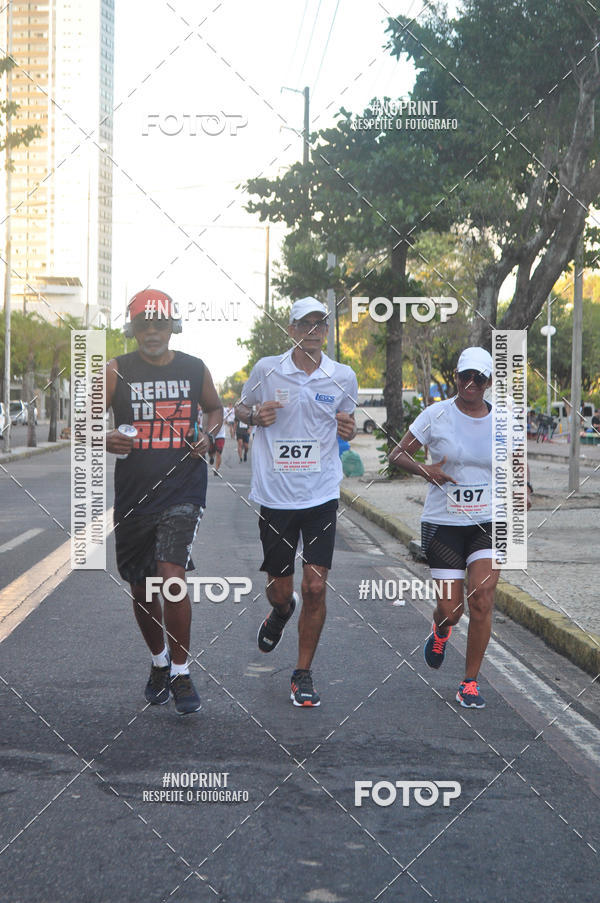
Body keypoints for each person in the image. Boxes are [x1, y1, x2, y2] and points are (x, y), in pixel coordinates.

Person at [389, 346, 532, 709]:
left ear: (488, 382)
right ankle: (441, 628)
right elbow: (397, 454)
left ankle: (469, 682)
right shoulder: (436, 415)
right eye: (464, 376)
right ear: (455, 376)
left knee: (482, 600)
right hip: (443, 522)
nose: (470, 383)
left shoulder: (504, 419)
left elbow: (518, 459)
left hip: (488, 519)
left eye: (478, 378)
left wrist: (525, 489)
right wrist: (427, 470)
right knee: (453, 610)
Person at [235, 297, 357, 707]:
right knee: (280, 589)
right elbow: (239, 409)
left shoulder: (343, 376)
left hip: (321, 492)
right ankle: (282, 612)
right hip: (276, 494)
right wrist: (254, 417)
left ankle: (302, 672)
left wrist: (349, 429)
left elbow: (348, 424)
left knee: (316, 586)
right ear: (291, 330)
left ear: (327, 330)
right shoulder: (267, 369)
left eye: (321, 323)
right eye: (306, 323)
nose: (314, 330)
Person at [106, 288, 223, 715]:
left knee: (171, 576)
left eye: (159, 323)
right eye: (143, 323)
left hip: (184, 489)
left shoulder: (194, 368)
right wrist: (104, 438)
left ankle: (180, 670)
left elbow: (215, 409)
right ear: (133, 327)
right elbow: (77, 425)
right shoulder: (116, 370)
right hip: (135, 494)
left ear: (172, 325)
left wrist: (208, 435)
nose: (151, 331)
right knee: (142, 587)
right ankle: (158, 661)